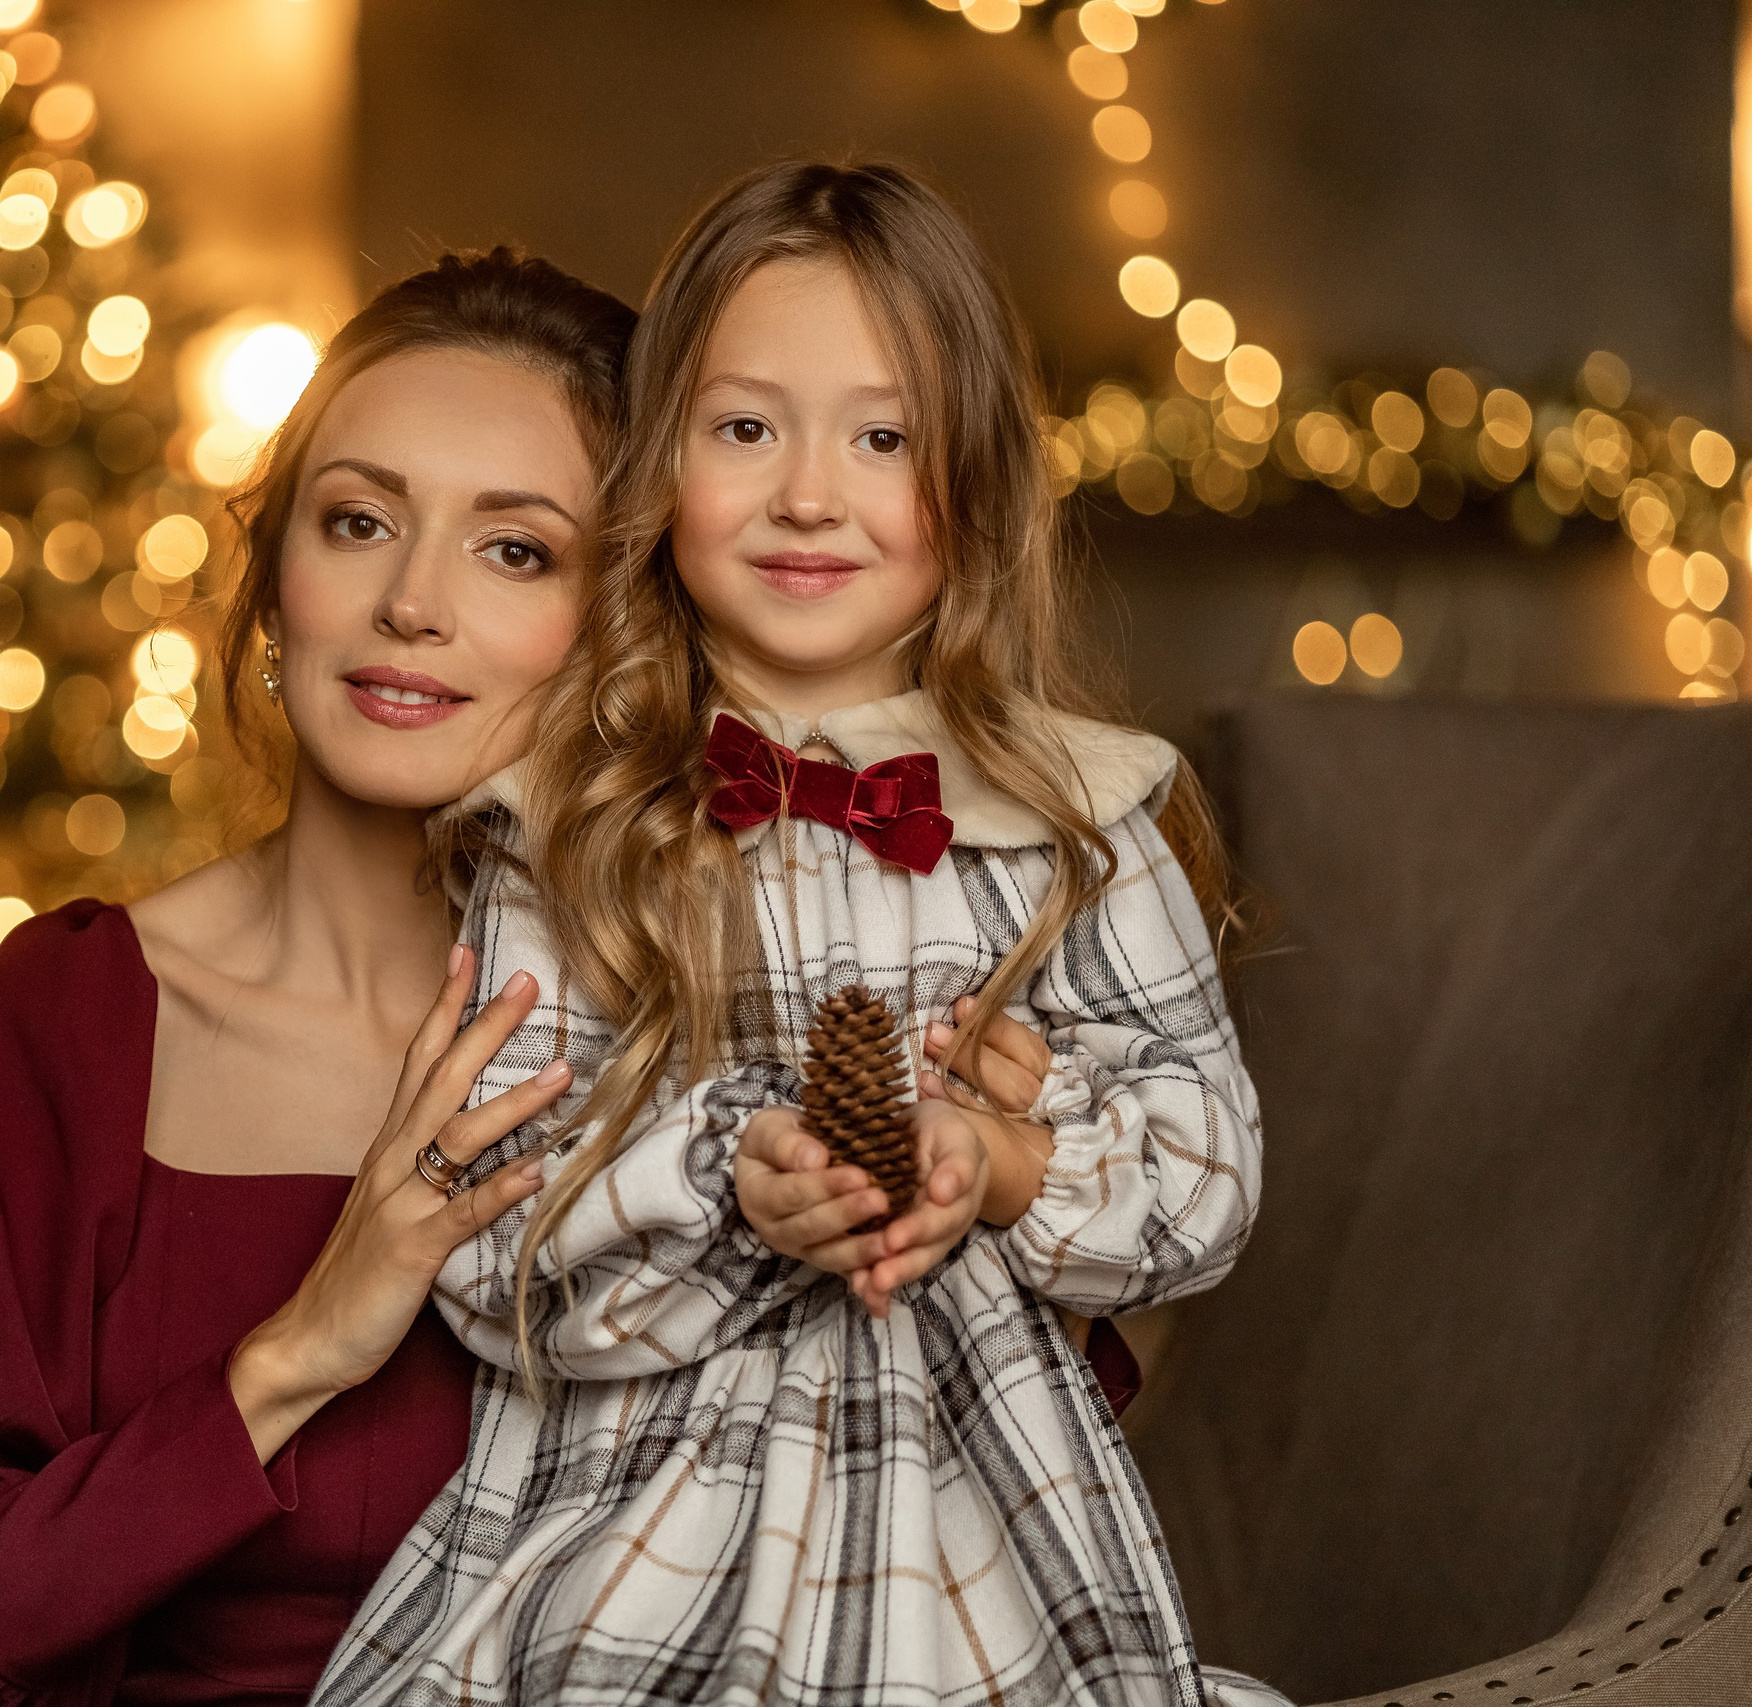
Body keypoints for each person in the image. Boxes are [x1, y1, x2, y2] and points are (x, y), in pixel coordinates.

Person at [318, 162, 1283, 1705]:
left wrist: (1009, 1165)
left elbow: (1210, 1169)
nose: (810, 494)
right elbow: (488, 1245)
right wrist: (724, 1173)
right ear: (659, 469)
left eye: (883, 436)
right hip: (631, 1541)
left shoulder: (1079, 822)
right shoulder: (569, 827)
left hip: (986, 1564)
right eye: (744, 427)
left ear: (974, 477)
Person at [0, 249, 637, 1705]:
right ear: (278, 578)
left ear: (622, 635)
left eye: (516, 550)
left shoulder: (713, 1028)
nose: (412, 601)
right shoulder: (79, 1021)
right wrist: (288, 1361)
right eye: (359, 522)